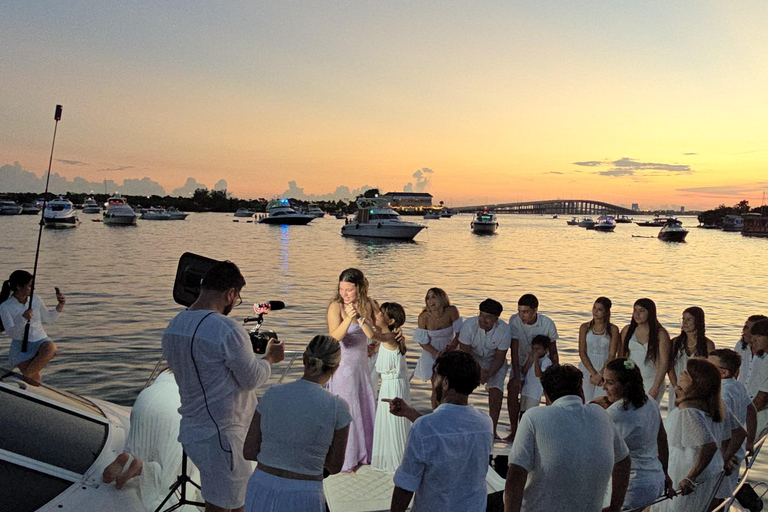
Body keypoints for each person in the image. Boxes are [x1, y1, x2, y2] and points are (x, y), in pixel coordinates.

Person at [162, 261, 285, 512]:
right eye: (237, 298)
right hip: (223, 437)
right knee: (227, 506)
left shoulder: (174, 326)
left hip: (193, 431)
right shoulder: (227, 329)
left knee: (228, 502)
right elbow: (251, 379)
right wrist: (270, 358)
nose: (234, 303)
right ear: (230, 293)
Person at [242, 335, 351, 512]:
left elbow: (249, 450)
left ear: (304, 359)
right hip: (303, 493)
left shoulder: (272, 394)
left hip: (261, 486)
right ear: (336, 367)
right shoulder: (338, 406)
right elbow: (335, 465)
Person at [504, 364, 631, 512]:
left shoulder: (533, 417)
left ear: (546, 394)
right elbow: (623, 461)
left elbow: (516, 474)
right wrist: (615, 506)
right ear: (581, 391)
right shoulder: (601, 414)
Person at [390, 351, 493, 512]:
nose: (432, 381)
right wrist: (411, 413)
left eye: (435, 376)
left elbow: (406, 484)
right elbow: (448, 429)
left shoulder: (424, 428)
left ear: (445, 383)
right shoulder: (485, 424)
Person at [659, 358, 743, 512]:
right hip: (706, 474)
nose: (681, 375)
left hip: (683, 470)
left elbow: (709, 445)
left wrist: (690, 478)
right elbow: (739, 433)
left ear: (696, 383)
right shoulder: (715, 406)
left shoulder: (688, 411)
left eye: (686, 374)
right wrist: (724, 458)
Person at [101, 369, 186, 511]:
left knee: (140, 448)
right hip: (174, 408)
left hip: (146, 401)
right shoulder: (203, 371)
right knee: (169, 474)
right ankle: (146, 470)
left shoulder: (168, 369)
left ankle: (129, 462)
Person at [600, 358, 673, 511]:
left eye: (610, 383)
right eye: (604, 381)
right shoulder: (650, 402)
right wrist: (665, 473)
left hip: (631, 487)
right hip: (655, 481)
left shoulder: (615, 413)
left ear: (627, 385)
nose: (603, 387)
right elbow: (662, 439)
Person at [326, 268, 378, 472]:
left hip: (363, 365)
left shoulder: (371, 304)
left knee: (364, 404)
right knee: (348, 408)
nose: (344, 294)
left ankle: (365, 453)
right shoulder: (336, 307)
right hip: (344, 366)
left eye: (349, 290)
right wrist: (349, 318)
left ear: (360, 288)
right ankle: (346, 458)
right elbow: (334, 337)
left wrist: (376, 345)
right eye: (341, 289)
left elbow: (378, 331)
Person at [708, 349, 758, 507]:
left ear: (722, 373)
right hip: (736, 451)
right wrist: (750, 441)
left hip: (725, 456)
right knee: (722, 498)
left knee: (712, 500)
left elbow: (725, 430)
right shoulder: (738, 386)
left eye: (709, 366)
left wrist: (724, 458)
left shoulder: (721, 394)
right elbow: (752, 411)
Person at [507, 294, 559, 441]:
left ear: (535, 310)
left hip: (543, 362)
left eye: (525, 312)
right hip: (522, 361)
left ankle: (550, 429)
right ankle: (514, 431)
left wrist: (555, 372)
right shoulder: (514, 320)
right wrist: (517, 377)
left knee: (550, 395)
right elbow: (514, 352)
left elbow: (553, 351)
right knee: (512, 389)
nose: (522, 315)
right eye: (519, 311)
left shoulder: (547, 323)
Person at [458, 298, 511, 439]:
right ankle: (461, 426)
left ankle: (492, 430)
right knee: (461, 388)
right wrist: (478, 370)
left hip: (494, 361)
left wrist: (488, 374)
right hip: (470, 358)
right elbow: (465, 351)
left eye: (488, 317)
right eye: (481, 315)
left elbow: (500, 357)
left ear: (496, 319)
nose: (483, 319)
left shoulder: (504, 330)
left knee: (496, 390)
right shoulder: (468, 325)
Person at [0, 269, 65, 382]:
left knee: (51, 347)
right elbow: (12, 333)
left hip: (41, 342)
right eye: (30, 285)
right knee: (35, 378)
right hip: (21, 346)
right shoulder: (5, 306)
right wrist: (23, 319)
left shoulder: (36, 299)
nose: (33, 288)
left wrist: (60, 306)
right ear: (19, 287)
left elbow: (49, 319)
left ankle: (21, 382)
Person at [371, 302, 411, 473]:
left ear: (391, 320)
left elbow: (371, 334)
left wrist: (358, 318)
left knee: (394, 420)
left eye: (381, 313)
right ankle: (390, 456)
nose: (377, 315)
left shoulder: (389, 338)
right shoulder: (391, 336)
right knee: (387, 420)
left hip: (394, 385)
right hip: (389, 383)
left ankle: (399, 461)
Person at [620, 298, 670, 402]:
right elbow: (622, 356)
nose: (637, 314)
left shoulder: (660, 334)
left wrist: (655, 386)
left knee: (648, 412)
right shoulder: (627, 330)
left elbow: (664, 362)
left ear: (650, 313)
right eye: (635, 310)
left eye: (641, 311)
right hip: (632, 380)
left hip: (652, 381)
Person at [667, 307, 715, 410]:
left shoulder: (708, 345)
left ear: (698, 321)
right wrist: (677, 387)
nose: (685, 322)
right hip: (677, 387)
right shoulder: (675, 342)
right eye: (683, 319)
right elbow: (669, 367)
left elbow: (709, 371)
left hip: (696, 390)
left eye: (689, 319)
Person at [412, 288, 462, 382]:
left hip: (450, 348)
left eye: (434, 297)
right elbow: (422, 341)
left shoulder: (451, 311)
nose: (430, 301)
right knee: (436, 385)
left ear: (442, 298)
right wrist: (436, 353)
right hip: (431, 351)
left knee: (451, 383)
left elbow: (459, 333)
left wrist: (452, 346)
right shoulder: (423, 317)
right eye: (428, 298)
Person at [578, 296, 620, 403]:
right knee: (586, 400)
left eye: (599, 309)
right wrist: (593, 373)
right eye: (594, 308)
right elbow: (582, 352)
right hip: (587, 367)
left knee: (603, 401)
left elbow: (611, 355)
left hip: (605, 367)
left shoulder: (613, 329)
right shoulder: (585, 327)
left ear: (606, 312)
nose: (595, 312)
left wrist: (601, 374)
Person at [745, 319, 768, 436]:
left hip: (760, 414)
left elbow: (762, 398)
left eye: (758, 336)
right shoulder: (762, 357)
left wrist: (745, 417)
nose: (753, 340)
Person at [519, 335, 552, 413]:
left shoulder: (546, 361)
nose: (535, 351)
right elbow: (524, 371)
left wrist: (536, 359)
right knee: (522, 412)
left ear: (545, 350)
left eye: (538, 349)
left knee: (530, 412)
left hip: (534, 393)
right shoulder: (530, 357)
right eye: (533, 348)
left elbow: (538, 374)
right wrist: (530, 359)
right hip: (526, 389)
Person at [736, 314, 768, 385]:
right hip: (743, 393)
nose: (745, 332)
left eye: (748, 328)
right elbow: (735, 370)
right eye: (744, 327)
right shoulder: (740, 345)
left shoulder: (764, 350)